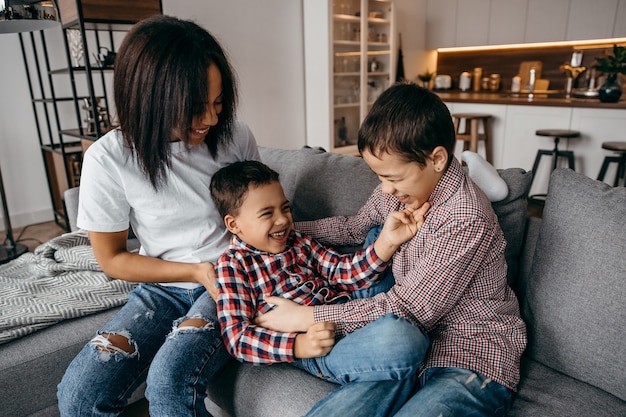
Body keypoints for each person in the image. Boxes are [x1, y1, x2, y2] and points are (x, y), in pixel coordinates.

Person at [255, 83, 528, 417]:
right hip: (408, 349)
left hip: (469, 356)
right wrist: (284, 232)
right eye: (379, 176)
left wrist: (304, 317)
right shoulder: (400, 190)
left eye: (392, 177)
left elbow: (409, 309)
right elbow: (353, 227)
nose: (385, 188)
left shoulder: (466, 218)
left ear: (437, 159)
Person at [56, 15, 261, 417]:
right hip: (165, 286)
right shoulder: (109, 157)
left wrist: (229, 272)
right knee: (79, 396)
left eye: (218, 103)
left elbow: (262, 219)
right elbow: (111, 259)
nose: (212, 120)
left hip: (230, 278)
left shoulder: (236, 137)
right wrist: (194, 272)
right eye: (196, 108)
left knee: (168, 382)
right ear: (149, 99)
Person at [209, 160, 430, 384]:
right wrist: (299, 346)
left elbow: (343, 271)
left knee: (381, 232)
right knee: (404, 339)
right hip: (319, 347)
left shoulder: (297, 241)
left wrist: (387, 243)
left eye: (285, 208)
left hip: (344, 307)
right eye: (267, 213)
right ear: (234, 224)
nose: (283, 219)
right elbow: (236, 338)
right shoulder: (232, 265)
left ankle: (389, 328)